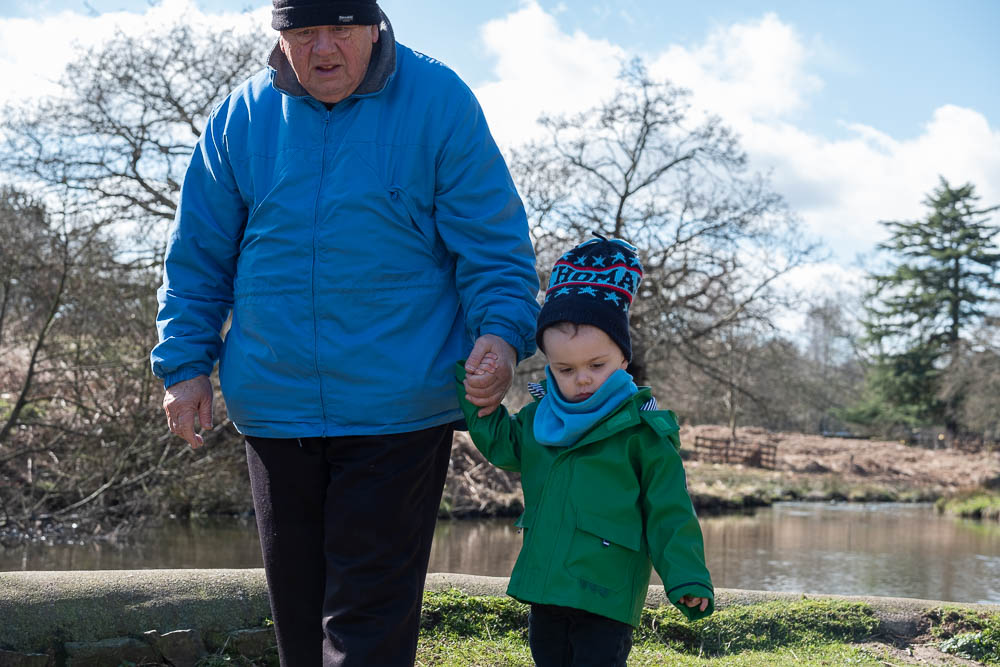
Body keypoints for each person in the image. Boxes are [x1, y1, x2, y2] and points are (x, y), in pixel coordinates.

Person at [150, 0, 540, 664]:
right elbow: (198, 256)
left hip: (399, 412)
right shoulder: (242, 118)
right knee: (302, 637)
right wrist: (185, 366)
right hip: (276, 412)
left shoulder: (439, 102)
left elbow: (495, 246)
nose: (322, 47)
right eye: (303, 31)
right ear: (280, 34)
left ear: (374, 27)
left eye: (339, 29)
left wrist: (500, 335)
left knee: (365, 638)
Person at [457, 234, 714, 666]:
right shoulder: (539, 418)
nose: (582, 379)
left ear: (622, 358)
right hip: (547, 584)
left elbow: (669, 510)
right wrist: (477, 397)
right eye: (565, 368)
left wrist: (686, 575)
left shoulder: (643, 433)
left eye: (597, 365)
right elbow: (503, 447)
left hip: (606, 593)